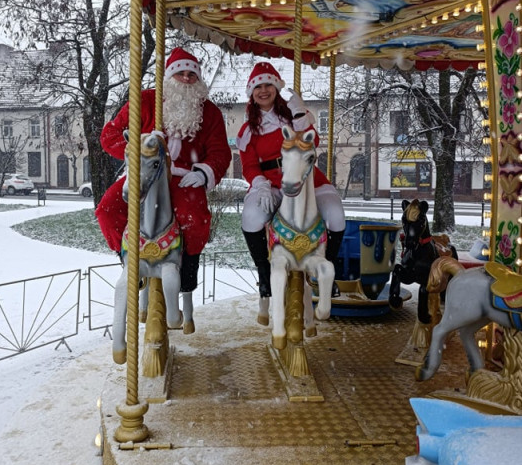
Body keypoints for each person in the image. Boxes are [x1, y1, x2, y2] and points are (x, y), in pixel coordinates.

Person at [96, 47, 232, 292]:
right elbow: (110, 136)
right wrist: (140, 144)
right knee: (108, 208)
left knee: (194, 217)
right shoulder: (145, 101)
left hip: (183, 177)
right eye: (181, 74)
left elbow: (220, 152)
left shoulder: (209, 112)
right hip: (145, 173)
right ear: (169, 77)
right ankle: (127, 260)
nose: (187, 79)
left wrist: (203, 173)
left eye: (192, 75)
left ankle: (189, 269)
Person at [236, 62, 345, 297]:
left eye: (268, 85)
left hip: (306, 179)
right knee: (251, 216)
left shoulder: (293, 117)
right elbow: (249, 165)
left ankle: (328, 269)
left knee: (336, 214)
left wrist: (299, 114)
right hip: (272, 182)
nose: (263, 91)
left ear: (276, 88)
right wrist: (261, 185)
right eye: (258, 87)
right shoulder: (248, 130)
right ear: (251, 93)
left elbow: (312, 143)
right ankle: (264, 274)